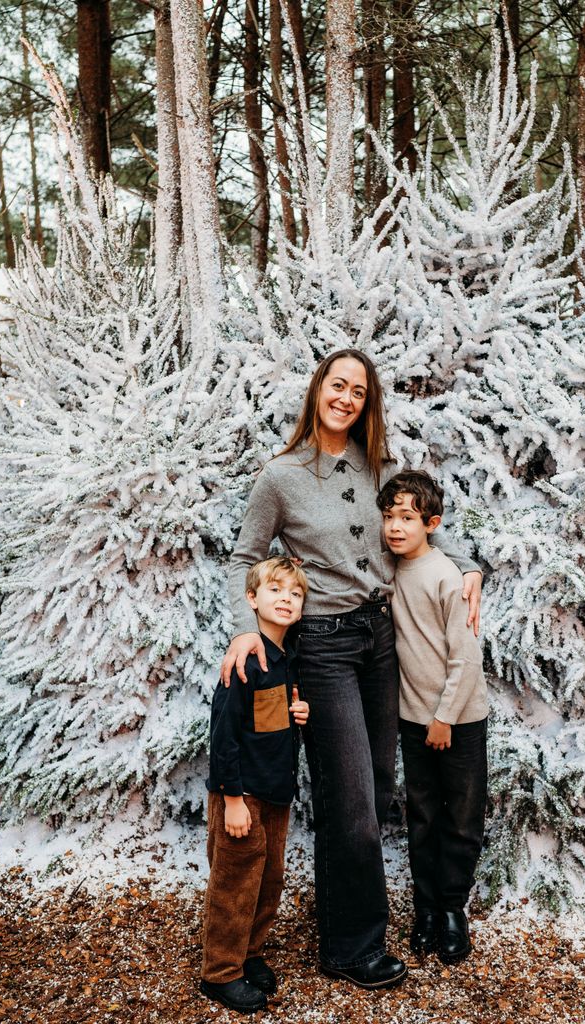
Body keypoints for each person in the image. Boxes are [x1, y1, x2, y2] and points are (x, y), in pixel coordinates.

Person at [221, 348, 482, 990]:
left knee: (372, 789)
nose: (346, 397)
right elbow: (243, 557)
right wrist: (242, 627)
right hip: (325, 648)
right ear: (318, 391)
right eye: (338, 385)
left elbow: (423, 528)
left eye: (359, 391)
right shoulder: (280, 477)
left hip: (381, 641)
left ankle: (343, 928)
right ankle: (352, 946)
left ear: (368, 404)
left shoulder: (381, 467)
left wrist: (470, 565)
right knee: (354, 803)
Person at [377, 470, 488, 964]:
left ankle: (450, 910)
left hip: (458, 720)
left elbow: (465, 656)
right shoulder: (389, 569)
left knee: (461, 818)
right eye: (388, 516)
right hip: (412, 717)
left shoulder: (447, 576)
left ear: (431, 523)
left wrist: (443, 717)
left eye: (407, 517)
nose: (395, 527)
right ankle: (424, 910)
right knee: (421, 816)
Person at [200, 556, 310, 1014]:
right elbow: (224, 734)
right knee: (235, 882)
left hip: (274, 792)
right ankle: (221, 973)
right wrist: (232, 800)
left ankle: (249, 953)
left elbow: (264, 720)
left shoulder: (287, 657)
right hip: (240, 795)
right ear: (252, 598)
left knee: (268, 880)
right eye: (275, 590)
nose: (286, 599)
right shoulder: (245, 658)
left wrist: (296, 715)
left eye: (296, 593)